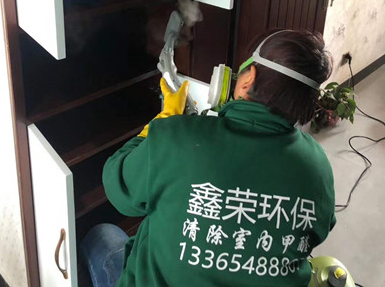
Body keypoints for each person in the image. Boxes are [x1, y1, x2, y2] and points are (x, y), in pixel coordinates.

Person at [81, 29, 336, 287]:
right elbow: (321, 227)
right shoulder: (317, 165)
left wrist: (156, 129)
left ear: (249, 79)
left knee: (100, 235)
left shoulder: (175, 138)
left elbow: (118, 189)